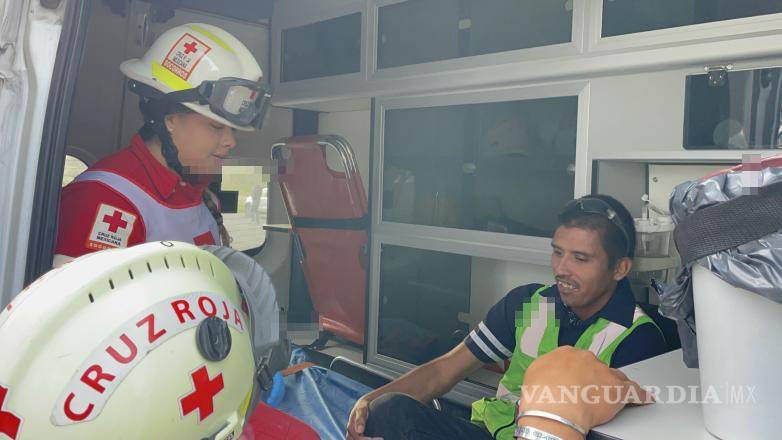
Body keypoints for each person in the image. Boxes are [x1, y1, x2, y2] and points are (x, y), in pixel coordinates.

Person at [347, 195, 668, 439]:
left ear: (620, 268)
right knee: (387, 411)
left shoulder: (637, 337)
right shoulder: (527, 302)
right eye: (558, 252)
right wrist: (368, 401)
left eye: (580, 259)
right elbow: (445, 369)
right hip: (491, 433)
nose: (561, 269)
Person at [54, 23, 271, 267]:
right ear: (170, 121)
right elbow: (85, 302)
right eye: (216, 127)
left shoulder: (203, 195)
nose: (231, 141)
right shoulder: (103, 200)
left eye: (232, 130)